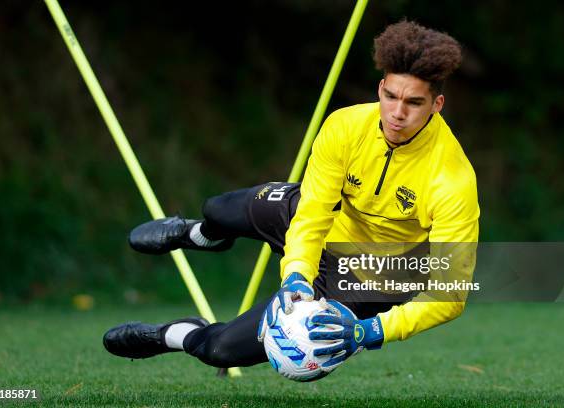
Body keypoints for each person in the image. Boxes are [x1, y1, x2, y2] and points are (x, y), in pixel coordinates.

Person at [103, 20, 479, 371]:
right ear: (380, 89)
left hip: (366, 279)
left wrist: (372, 331)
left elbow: (450, 294)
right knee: (218, 208)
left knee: (219, 351)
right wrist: (297, 275)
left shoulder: (453, 180)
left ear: (436, 105)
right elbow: (314, 212)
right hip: (320, 220)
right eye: (391, 96)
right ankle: (202, 234)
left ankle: (172, 334)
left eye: (413, 103)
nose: (397, 113)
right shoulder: (345, 126)